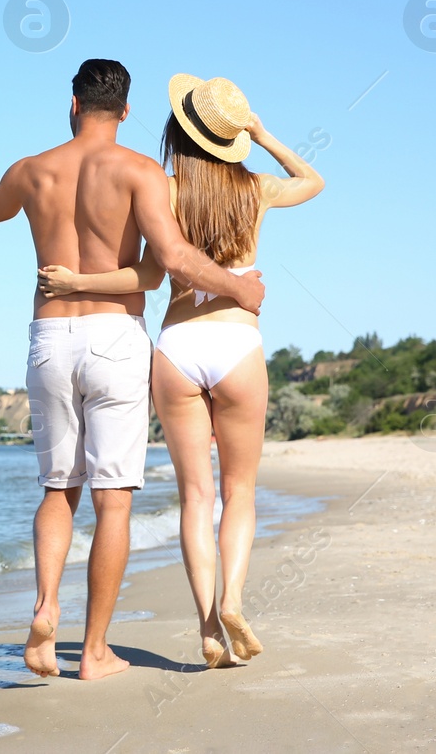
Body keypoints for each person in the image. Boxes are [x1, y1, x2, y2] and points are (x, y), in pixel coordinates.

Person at [0, 60, 266, 681]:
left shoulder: (31, 170)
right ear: (125, 111)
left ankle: (43, 614)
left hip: (49, 336)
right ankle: (94, 652)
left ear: (71, 104)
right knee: (112, 502)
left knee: (57, 490)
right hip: (116, 337)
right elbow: (171, 259)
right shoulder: (141, 171)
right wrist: (239, 290)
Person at [37, 74, 324, 668]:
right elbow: (313, 181)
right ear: (231, 140)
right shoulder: (257, 190)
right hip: (237, 345)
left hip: (175, 347)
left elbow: (150, 272)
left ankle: (208, 629)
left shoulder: (159, 190)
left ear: (177, 130)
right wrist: (263, 132)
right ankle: (235, 599)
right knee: (238, 491)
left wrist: (78, 282)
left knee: (197, 495)